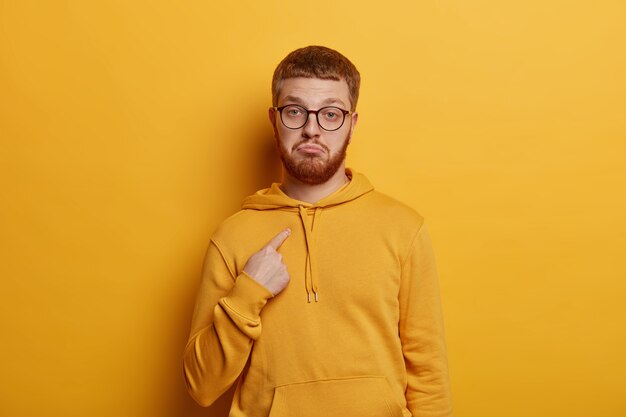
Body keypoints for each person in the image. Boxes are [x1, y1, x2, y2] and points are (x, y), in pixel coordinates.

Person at [183, 45, 453, 417]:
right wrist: (248, 292)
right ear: (274, 119)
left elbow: (429, 375)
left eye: (330, 114)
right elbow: (201, 386)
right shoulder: (233, 236)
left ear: (352, 123)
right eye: (295, 111)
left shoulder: (403, 228)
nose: (312, 129)